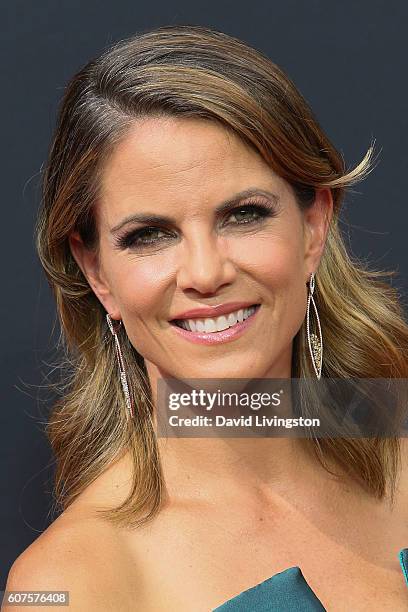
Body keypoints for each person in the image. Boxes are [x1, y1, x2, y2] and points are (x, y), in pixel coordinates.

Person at [5, 24, 408, 611]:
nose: (204, 271)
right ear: (96, 272)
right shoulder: (66, 584)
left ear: (314, 227)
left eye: (243, 215)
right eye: (149, 235)